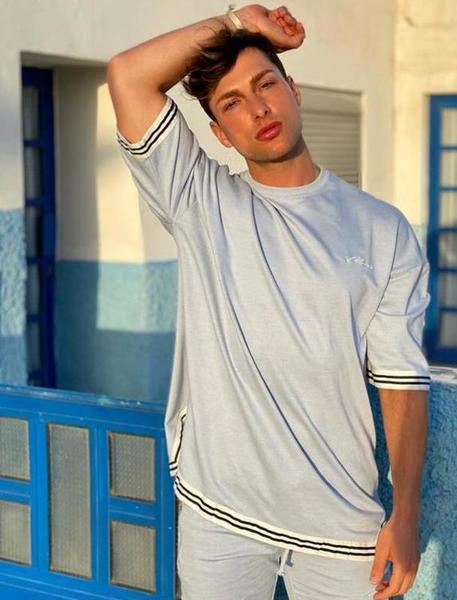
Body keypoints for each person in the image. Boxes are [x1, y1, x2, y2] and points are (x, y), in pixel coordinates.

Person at [107, 4, 431, 599]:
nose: (258, 109)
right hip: (220, 516)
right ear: (218, 132)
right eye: (232, 103)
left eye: (265, 85)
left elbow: (402, 380)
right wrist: (238, 23)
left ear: (293, 91)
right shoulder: (198, 200)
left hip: (340, 521)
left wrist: (405, 515)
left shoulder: (382, 229)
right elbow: (127, 74)